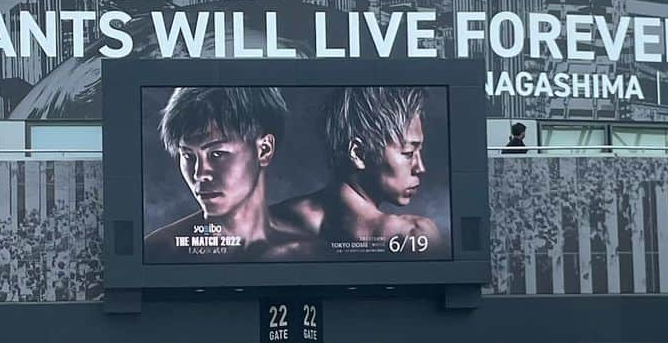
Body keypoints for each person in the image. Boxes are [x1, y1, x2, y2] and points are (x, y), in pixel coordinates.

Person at [144, 86, 315, 260]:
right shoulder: (157, 251)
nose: (199, 174)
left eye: (217, 153)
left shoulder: (309, 252)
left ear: (264, 150)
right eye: (188, 155)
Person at [273, 87, 445, 254]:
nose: (420, 168)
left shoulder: (270, 221)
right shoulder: (413, 236)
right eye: (408, 153)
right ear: (358, 154)